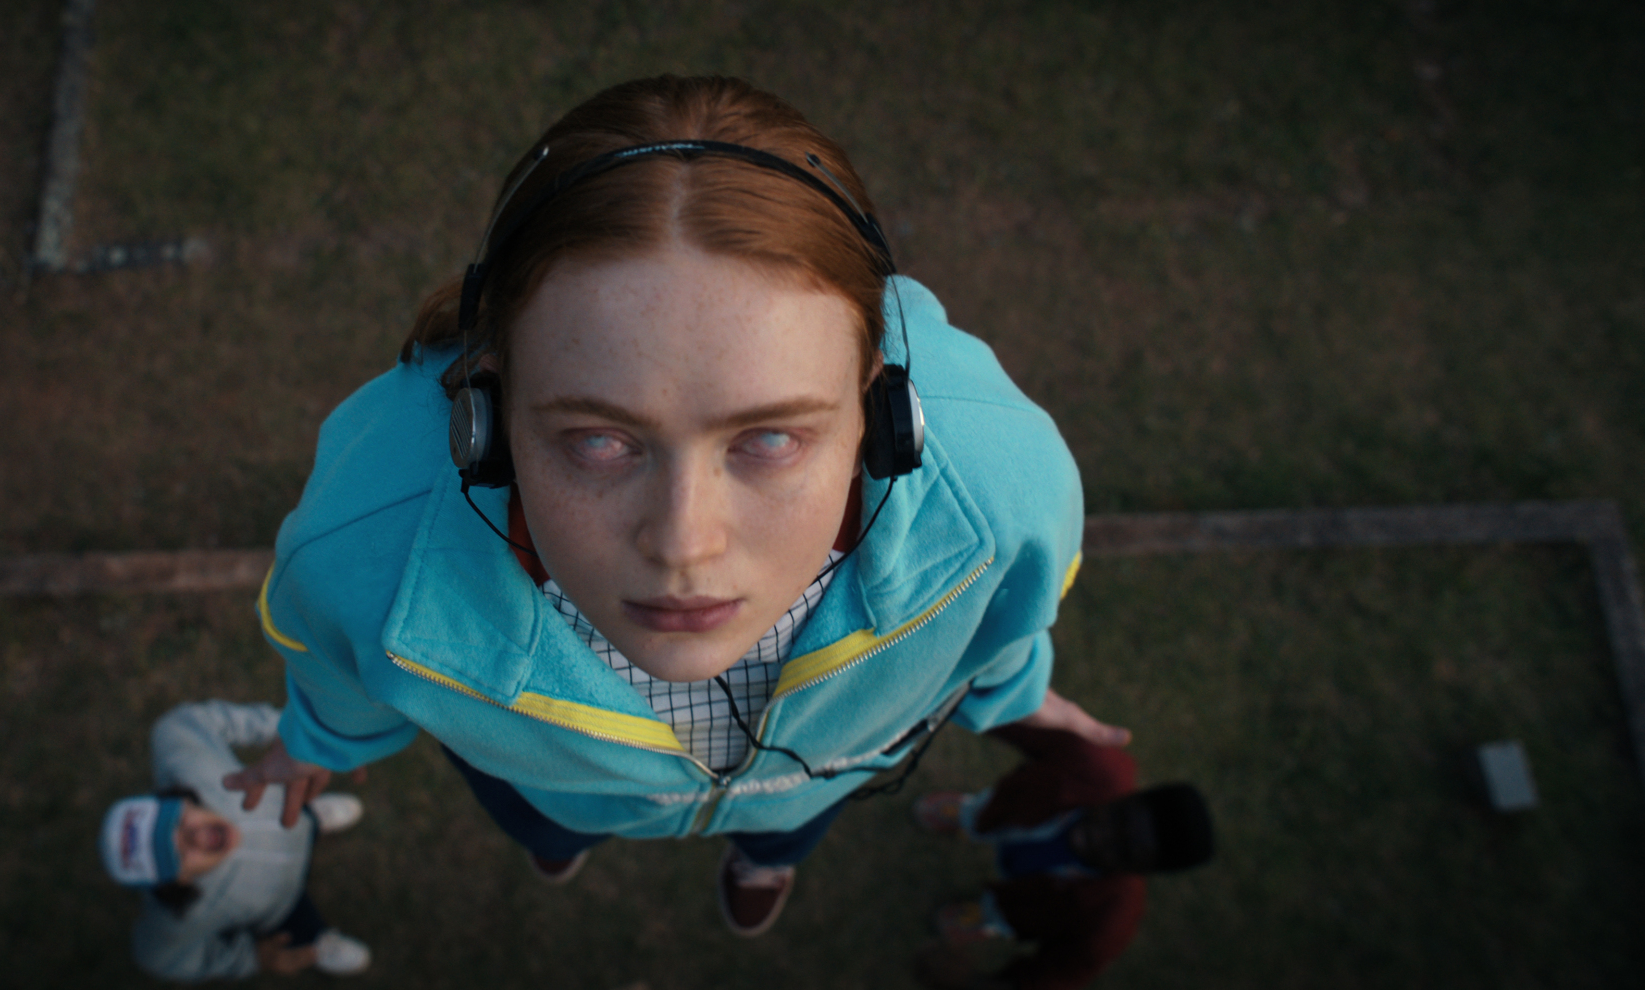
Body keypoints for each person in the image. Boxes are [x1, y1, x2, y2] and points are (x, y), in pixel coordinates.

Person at [226, 74, 1126, 938]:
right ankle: (561, 837)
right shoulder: (362, 556)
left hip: (803, 788)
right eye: (597, 440)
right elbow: (339, 666)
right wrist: (316, 743)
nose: (684, 544)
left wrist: (1015, 692)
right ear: (487, 419)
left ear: (879, 411)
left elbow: (1004, 620)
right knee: (550, 822)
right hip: (553, 786)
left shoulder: (1007, 501)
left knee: (784, 826)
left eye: (770, 439)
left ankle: (764, 858)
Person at [909, 723, 1215, 990]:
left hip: (1022, 904)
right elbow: (1016, 717)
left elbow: (1047, 981)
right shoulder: (1095, 763)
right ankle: (967, 816)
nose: (1100, 836)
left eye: (1124, 851)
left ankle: (984, 916)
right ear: (1128, 797)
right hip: (1006, 811)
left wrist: (967, 982)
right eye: (1118, 818)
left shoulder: (1111, 922)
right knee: (982, 815)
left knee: (1002, 914)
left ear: (1141, 870)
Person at [100, 700, 373, 980]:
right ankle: (317, 943)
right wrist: (251, 958)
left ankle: (313, 818)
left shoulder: (188, 762)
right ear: (175, 885)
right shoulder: (182, 917)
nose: (195, 837)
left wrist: (295, 733)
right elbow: (155, 958)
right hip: (283, 905)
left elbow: (176, 724)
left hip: (286, 810)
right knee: (297, 936)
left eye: (177, 821)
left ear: (177, 800)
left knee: (298, 815)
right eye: (178, 855)